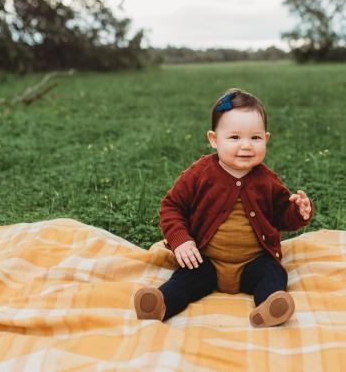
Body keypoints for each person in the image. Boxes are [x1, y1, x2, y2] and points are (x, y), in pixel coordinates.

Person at [134, 88, 313, 327]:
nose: (246, 146)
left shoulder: (267, 180)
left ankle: (269, 306)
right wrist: (181, 240)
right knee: (185, 279)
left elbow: (282, 215)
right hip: (206, 261)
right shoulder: (200, 174)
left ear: (266, 139)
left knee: (274, 273)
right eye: (235, 137)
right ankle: (161, 303)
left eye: (255, 138)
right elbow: (172, 207)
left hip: (253, 262)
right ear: (213, 139)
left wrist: (298, 212)